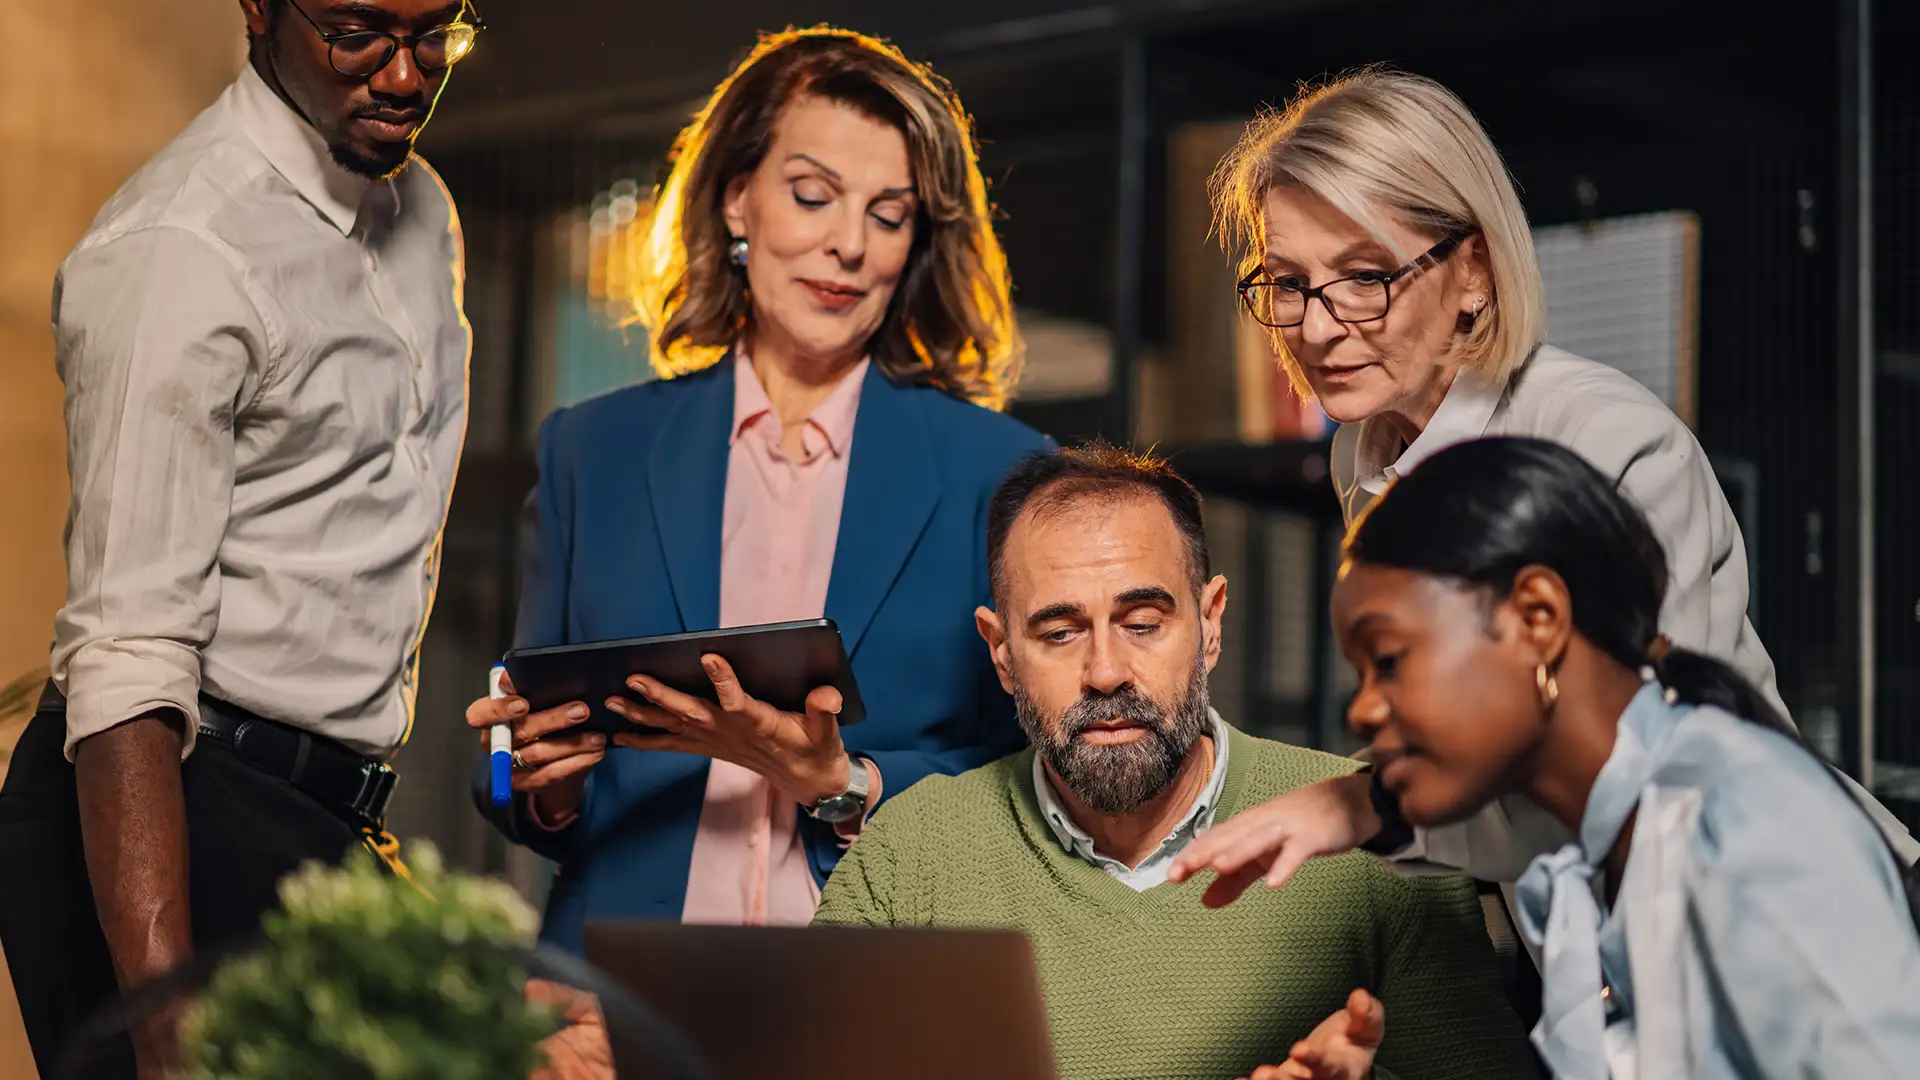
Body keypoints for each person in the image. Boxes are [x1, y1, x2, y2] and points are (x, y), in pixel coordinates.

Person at [1174, 65, 1916, 908]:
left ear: (1474, 274)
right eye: (1289, 283)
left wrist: (1367, 804)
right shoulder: (1367, 451)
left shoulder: (1606, 443)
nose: (1314, 327)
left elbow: (1641, 770)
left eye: (1365, 278)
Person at [467, 27, 1049, 950]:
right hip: (621, 992)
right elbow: (511, 761)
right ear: (738, 200)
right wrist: (535, 783)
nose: (848, 244)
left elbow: (1039, 783)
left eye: (889, 215)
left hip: (875, 992)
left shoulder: (1006, 473)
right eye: (812, 195)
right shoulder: (593, 452)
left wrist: (850, 782)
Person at [0, 2, 484, 1077]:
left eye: (436, 33)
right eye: (358, 32)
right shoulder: (181, 249)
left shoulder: (426, 212)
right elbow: (126, 657)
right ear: (259, 8)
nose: (405, 76)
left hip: (316, 813)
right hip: (166, 795)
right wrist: (169, 1020)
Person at [813, 445, 1537, 1080]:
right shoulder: (911, 857)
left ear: (1210, 622)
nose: (1106, 672)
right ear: (1002, 654)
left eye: (1142, 624)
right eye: (1060, 633)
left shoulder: (1366, 833)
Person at [1258, 436, 1920, 1079]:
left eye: (1390, 659)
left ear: (1538, 617)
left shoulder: (1742, 829)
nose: (1362, 710)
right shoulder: (1603, 857)